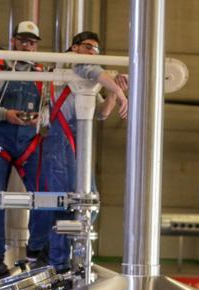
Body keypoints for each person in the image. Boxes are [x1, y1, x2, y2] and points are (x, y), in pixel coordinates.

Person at [0, 20, 52, 278]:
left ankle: (38, 248)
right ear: (13, 41)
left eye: (32, 42)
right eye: (23, 41)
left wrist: (41, 118)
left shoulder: (44, 72)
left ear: (37, 45)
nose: (27, 46)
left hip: (29, 140)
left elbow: (51, 106)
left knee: (45, 192)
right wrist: (4, 114)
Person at [42, 31, 128, 273]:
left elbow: (101, 113)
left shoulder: (85, 73)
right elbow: (94, 71)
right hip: (61, 141)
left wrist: (113, 92)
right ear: (75, 47)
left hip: (79, 141)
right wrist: (120, 93)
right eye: (88, 47)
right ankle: (59, 264)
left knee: (87, 205)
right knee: (65, 204)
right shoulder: (72, 64)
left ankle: (76, 260)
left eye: (96, 50)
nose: (92, 52)